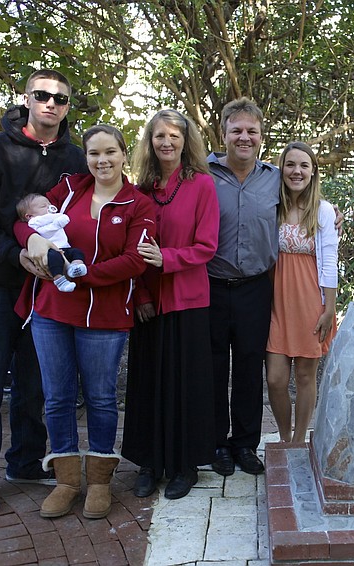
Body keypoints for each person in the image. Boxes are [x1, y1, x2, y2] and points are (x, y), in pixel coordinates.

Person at [0, 69, 88, 514]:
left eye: (61, 98)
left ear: (69, 106)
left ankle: (26, 462)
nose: (51, 103)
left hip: (46, 292)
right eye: (43, 95)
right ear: (26, 99)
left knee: (37, 384)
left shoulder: (76, 158)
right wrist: (17, 256)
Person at [15, 125, 156, 519]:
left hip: (106, 316)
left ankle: (98, 482)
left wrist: (81, 274)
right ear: (86, 158)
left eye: (110, 152)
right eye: (94, 153)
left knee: (100, 397)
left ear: (124, 154)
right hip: (52, 313)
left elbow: (134, 260)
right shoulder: (69, 189)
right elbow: (24, 219)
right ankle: (66, 482)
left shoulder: (138, 204)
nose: (102, 160)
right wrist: (33, 244)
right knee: (57, 397)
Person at [121, 109, 220, 500]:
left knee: (185, 385)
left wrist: (169, 259)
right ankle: (149, 462)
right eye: (159, 136)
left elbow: (207, 246)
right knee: (147, 384)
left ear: (185, 142)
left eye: (174, 137)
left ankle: (184, 465)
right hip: (148, 304)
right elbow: (130, 249)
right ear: (150, 141)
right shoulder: (139, 190)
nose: (166, 142)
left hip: (188, 300)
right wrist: (142, 295)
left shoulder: (202, 186)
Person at [207, 98, 278, 476]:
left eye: (251, 131)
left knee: (250, 367)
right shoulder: (202, 174)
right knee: (214, 367)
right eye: (237, 130)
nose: (244, 137)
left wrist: (331, 215)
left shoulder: (275, 178)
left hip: (255, 287)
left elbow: (307, 208)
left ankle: (246, 444)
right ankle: (217, 443)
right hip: (211, 285)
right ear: (224, 134)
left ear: (261, 137)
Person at [265, 141, 338, 444]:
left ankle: (297, 442)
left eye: (303, 165)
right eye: (290, 164)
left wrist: (329, 308)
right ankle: (283, 437)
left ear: (313, 171)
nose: (297, 171)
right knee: (276, 378)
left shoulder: (322, 211)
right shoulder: (271, 205)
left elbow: (330, 259)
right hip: (275, 302)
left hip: (311, 302)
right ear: (281, 169)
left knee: (306, 377)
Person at [16, 194, 87, 292]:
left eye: (49, 204)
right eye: (43, 206)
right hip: (48, 250)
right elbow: (45, 231)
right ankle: (59, 280)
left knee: (76, 252)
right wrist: (57, 223)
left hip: (64, 247)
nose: (49, 207)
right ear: (29, 216)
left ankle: (75, 267)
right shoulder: (35, 222)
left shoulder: (52, 217)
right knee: (54, 259)